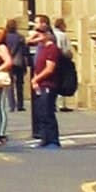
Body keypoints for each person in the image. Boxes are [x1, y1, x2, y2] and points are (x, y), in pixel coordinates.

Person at [30, 19, 72, 149]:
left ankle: (53, 139)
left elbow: (49, 68)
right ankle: (44, 138)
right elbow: (38, 66)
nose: (39, 36)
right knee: (41, 112)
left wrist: (36, 79)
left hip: (49, 84)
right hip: (40, 84)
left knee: (48, 112)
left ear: (49, 34)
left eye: (42, 33)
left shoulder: (52, 49)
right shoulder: (42, 48)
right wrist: (35, 80)